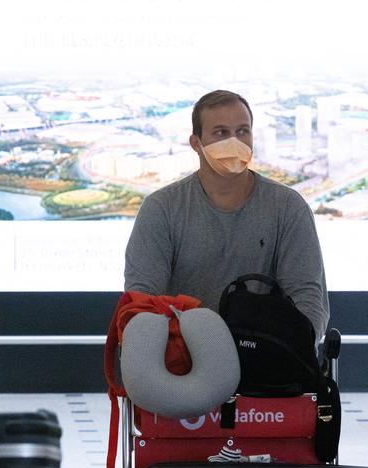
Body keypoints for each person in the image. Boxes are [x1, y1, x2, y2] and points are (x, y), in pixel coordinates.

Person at [124, 89, 329, 343]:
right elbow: (141, 305)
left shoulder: (287, 207)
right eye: (221, 132)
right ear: (196, 143)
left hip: (268, 363)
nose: (235, 142)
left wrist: (295, 355)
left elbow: (308, 300)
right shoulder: (162, 209)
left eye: (243, 131)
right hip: (184, 365)